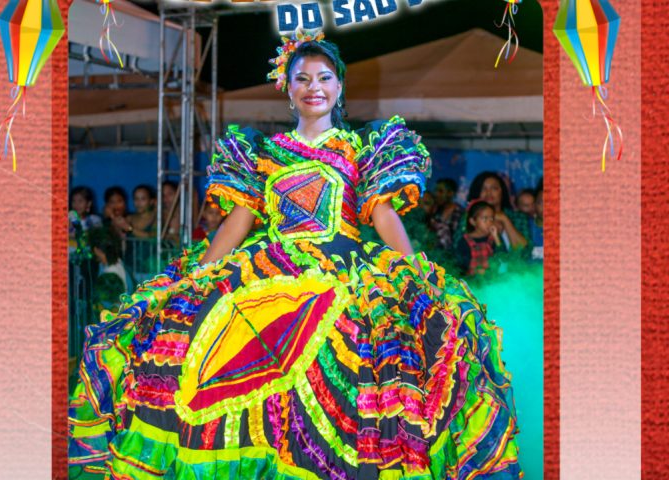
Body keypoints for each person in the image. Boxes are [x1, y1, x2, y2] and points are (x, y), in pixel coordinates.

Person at [69, 31, 521, 479]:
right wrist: (197, 274)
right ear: (287, 88)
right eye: (302, 78)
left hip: (343, 271)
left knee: (364, 362)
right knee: (199, 338)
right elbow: (238, 222)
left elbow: (383, 216)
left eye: (323, 78)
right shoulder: (263, 153)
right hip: (269, 271)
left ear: (339, 86)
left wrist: (414, 273)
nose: (313, 87)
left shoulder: (362, 148)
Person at [454, 171, 530, 254]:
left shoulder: (518, 217)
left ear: (502, 192)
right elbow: (457, 248)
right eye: (483, 189)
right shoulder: (468, 217)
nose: (489, 192)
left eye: (494, 188)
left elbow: (524, 251)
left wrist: (504, 219)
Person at [456, 200, 502, 276]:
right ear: (473, 221)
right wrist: (474, 271)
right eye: (485, 218)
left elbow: (502, 257)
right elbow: (460, 268)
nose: (489, 222)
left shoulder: (494, 238)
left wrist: (496, 238)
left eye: (491, 218)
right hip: (472, 280)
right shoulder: (464, 242)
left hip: (493, 279)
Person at [430, 178, 463, 250]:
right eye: (436, 190)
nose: (436, 194)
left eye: (440, 191)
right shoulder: (434, 209)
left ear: (450, 193)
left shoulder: (459, 212)